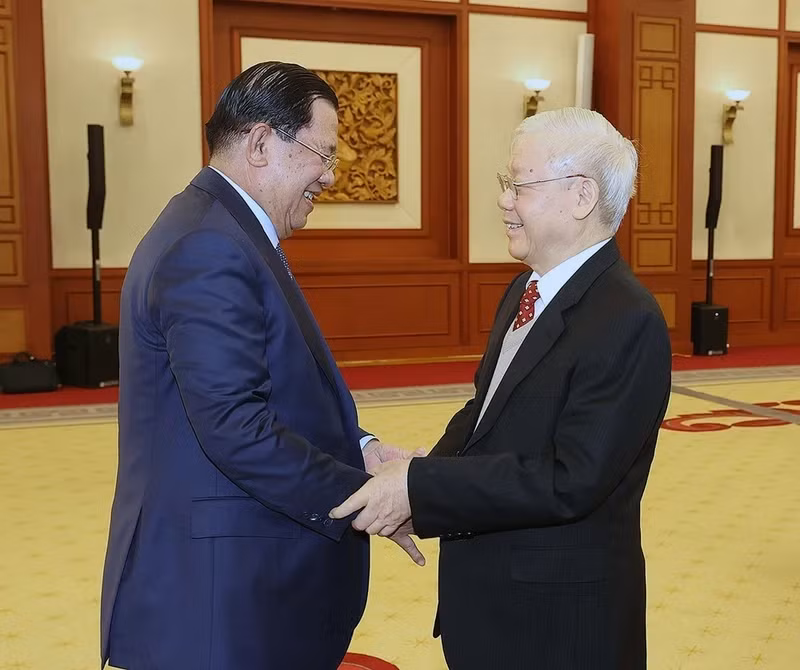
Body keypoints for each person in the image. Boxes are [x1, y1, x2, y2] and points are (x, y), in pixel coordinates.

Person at [101, 61, 422, 670]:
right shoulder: (210, 245)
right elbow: (234, 426)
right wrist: (365, 495)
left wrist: (363, 447)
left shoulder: (221, 228)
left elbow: (270, 388)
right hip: (220, 599)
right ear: (260, 142)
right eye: (321, 154)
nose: (329, 176)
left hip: (233, 580)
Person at [331, 107, 672, 670]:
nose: (503, 200)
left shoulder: (625, 316)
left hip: (557, 623)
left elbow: (572, 480)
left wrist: (423, 487)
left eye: (519, 184)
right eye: (505, 183)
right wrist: (420, 478)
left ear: (581, 196)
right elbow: (484, 414)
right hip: (495, 603)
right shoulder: (525, 290)